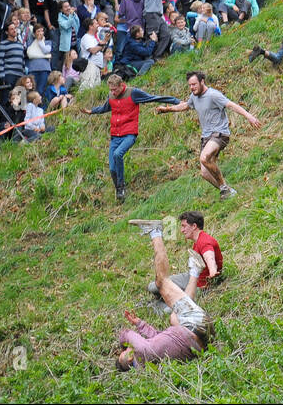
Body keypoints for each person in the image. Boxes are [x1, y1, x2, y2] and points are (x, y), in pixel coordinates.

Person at [117, 219, 215, 369]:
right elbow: (126, 333)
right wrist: (123, 345)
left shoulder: (152, 358)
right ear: (130, 358)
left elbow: (156, 336)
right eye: (126, 353)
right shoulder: (144, 352)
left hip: (202, 336)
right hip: (195, 325)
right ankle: (155, 231)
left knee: (174, 317)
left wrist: (139, 324)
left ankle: (194, 269)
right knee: (161, 281)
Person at [153, 70, 261, 200]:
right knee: (205, 173)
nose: (192, 87)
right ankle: (230, 192)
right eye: (190, 85)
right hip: (206, 137)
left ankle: (223, 187)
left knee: (204, 158)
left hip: (220, 134)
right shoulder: (194, 97)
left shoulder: (213, 95)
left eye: (194, 84)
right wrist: (167, 109)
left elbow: (231, 105)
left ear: (202, 81)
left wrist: (248, 116)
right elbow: (186, 106)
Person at [83, 73, 181, 201]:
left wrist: (175, 101)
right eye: (110, 90)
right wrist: (91, 111)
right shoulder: (111, 95)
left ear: (121, 85)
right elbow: (105, 107)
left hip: (129, 133)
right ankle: (119, 190)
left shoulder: (133, 93)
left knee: (118, 154)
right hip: (115, 135)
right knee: (112, 168)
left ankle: (121, 187)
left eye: (115, 90)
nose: (113, 92)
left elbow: (152, 98)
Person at [147, 211, 223, 298]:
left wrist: (213, 271)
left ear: (194, 226)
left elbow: (209, 257)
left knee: (169, 309)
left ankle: (159, 304)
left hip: (201, 286)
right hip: (192, 277)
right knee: (154, 286)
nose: (182, 230)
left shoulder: (204, 242)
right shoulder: (199, 239)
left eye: (184, 226)